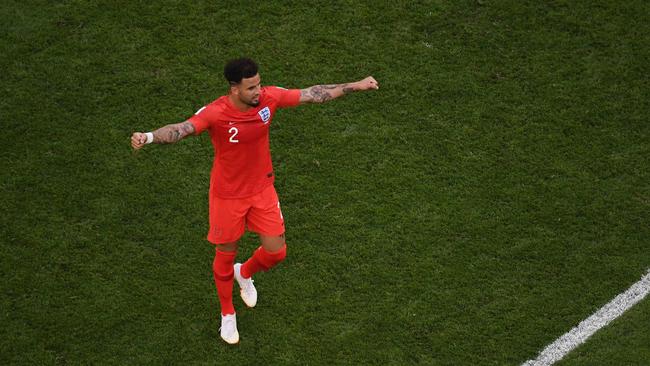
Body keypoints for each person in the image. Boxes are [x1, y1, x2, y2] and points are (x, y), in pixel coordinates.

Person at [131, 58, 379, 344]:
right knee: (225, 254)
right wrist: (148, 137)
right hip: (227, 197)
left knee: (276, 252)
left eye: (259, 84)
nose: (258, 91)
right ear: (234, 88)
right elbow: (181, 129)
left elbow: (313, 93)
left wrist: (356, 85)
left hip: (262, 189)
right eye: (251, 88)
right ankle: (227, 314)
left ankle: (244, 273)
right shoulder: (216, 113)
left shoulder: (268, 98)